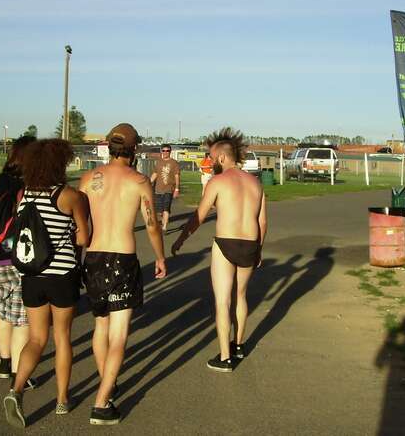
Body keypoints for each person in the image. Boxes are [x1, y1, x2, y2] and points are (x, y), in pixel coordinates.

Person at [79, 123, 167, 425]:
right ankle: (102, 402)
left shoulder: (88, 179)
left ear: (108, 147)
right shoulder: (140, 180)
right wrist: (159, 256)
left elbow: (79, 223)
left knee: (100, 327)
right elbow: (152, 224)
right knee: (119, 334)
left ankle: (107, 382)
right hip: (122, 258)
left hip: (93, 256)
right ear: (135, 150)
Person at [3, 139, 90, 428]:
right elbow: (83, 239)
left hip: (32, 276)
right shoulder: (70, 196)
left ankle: (16, 390)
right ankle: (63, 400)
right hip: (62, 275)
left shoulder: (25, 195)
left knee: (36, 338)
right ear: (59, 164)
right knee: (62, 337)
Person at [171, 128, 267, 373]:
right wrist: (259, 249)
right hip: (250, 242)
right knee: (241, 296)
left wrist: (181, 238)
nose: (210, 162)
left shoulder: (217, 182)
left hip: (225, 243)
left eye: (212, 158)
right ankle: (238, 345)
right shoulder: (255, 182)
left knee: (222, 301)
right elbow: (262, 221)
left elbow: (199, 216)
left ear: (222, 158)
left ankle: (225, 357)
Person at [0, 135, 38, 390]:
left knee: (3, 310)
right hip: (20, 259)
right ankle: (17, 372)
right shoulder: (32, 185)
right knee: (23, 318)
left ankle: (4, 360)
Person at [150, 143, 180, 234]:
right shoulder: (158, 162)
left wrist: (177, 189)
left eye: (167, 151)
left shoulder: (174, 163)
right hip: (158, 189)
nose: (165, 152)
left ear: (170, 152)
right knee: (160, 212)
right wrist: (148, 182)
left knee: (166, 209)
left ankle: (164, 227)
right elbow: (155, 174)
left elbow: (177, 176)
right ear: (161, 151)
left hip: (169, 189)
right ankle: (163, 220)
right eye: (164, 150)